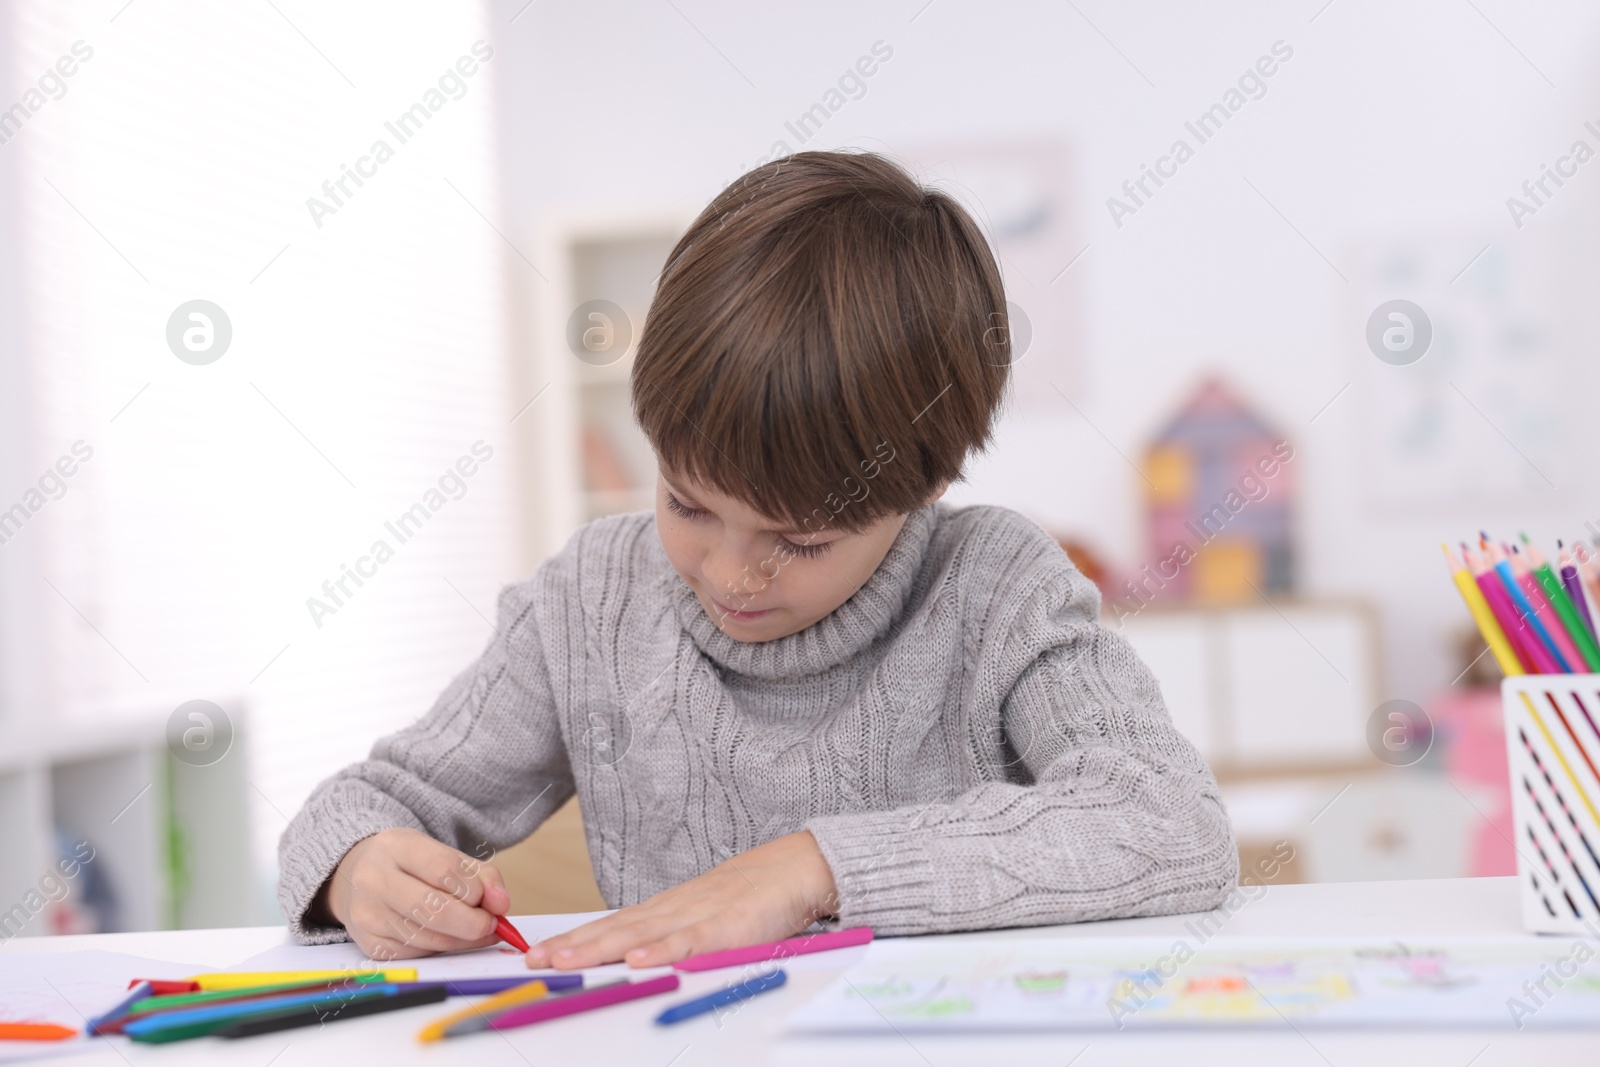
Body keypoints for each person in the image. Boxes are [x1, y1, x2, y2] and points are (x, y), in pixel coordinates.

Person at [277, 150, 1237, 970]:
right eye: (689, 504)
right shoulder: (591, 602)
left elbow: (1171, 821)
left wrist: (815, 866)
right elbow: (359, 806)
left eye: (802, 541)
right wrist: (360, 867)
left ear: (930, 480)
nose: (734, 575)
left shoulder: (995, 589)